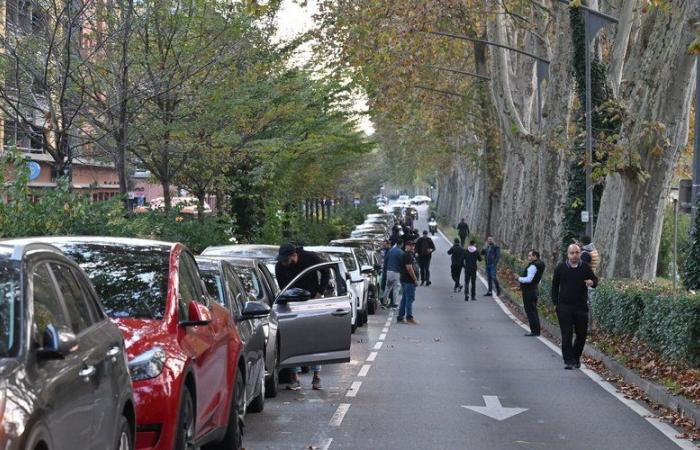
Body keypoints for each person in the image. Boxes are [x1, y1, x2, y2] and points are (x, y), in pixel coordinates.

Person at [275, 244, 330, 390]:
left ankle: (316, 376)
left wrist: (320, 291)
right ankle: (294, 378)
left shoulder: (310, 258)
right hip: (292, 305)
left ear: (294, 255)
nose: (283, 264)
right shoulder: (279, 266)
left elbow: (326, 271)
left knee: (314, 339)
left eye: (286, 260)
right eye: (282, 261)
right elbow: (283, 288)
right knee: (293, 340)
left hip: (311, 303)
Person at [551, 244, 598, 370]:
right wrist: (556, 303)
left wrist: (591, 282)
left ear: (580, 253)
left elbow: (595, 281)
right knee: (566, 334)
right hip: (564, 307)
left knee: (581, 335)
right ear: (568, 254)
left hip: (581, 307)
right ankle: (568, 361)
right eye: (572, 253)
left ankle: (576, 357)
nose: (575, 255)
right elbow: (554, 286)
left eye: (577, 252)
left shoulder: (585, 267)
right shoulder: (561, 268)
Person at [518, 250, 545, 336]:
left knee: (530, 311)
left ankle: (534, 331)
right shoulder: (541, 264)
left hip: (529, 291)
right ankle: (536, 330)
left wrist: (519, 278)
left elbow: (528, 279)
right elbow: (538, 279)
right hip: (534, 289)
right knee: (533, 310)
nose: (528, 257)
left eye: (530, 255)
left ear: (535, 256)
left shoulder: (533, 266)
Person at [397, 240, 419, 324]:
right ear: (406, 246)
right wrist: (415, 279)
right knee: (410, 299)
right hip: (408, 280)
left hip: (405, 280)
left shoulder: (408, 255)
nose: (413, 247)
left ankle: (400, 317)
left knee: (404, 299)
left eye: (413, 245)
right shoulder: (407, 255)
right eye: (411, 245)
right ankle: (409, 317)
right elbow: (409, 268)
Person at [383, 239, 404, 308]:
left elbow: (385, 260)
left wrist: (385, 270)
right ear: (401, 244)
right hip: (396, 272)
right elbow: (402, 263)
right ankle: (395, 303)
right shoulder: (400, 252)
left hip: (389, 272)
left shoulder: (391, 250)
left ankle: (384, 302)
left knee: (388, 287)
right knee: (396, 288)